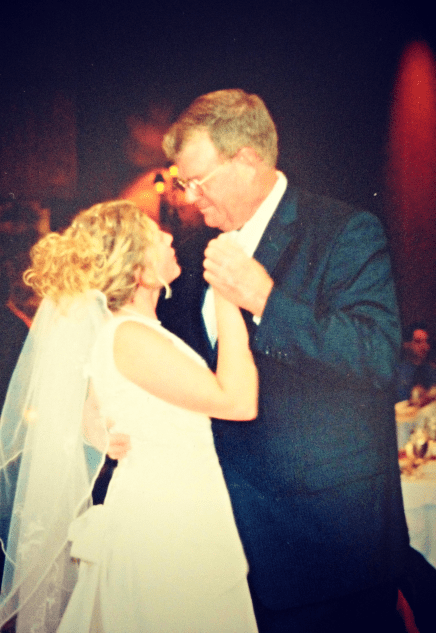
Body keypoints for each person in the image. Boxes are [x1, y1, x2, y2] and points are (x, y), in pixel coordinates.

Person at [158, 89, 410, 633]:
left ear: (248, 159)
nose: (189, 198)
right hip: (223, 540)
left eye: (198, 180)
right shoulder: (194, 248)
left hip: (325, 549)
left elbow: (377, 357)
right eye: (183, 183)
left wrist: (267, 301)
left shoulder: (344, 231)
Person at [0, 200, 259, 633]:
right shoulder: (129, 336)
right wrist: (228, 299)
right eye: (155, 236)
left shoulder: (130, 332)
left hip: (176, 509)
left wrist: (99, 430)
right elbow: (238, 402)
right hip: (167, 522)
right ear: (135, 266)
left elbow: (95, 410)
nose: (169, 236)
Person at [395, 322, 436, 403]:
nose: (425, 347)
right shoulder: (398, 372)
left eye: (426, 341)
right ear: (406, 345)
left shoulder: (430, 369)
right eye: (418, 342)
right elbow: (402, 401)